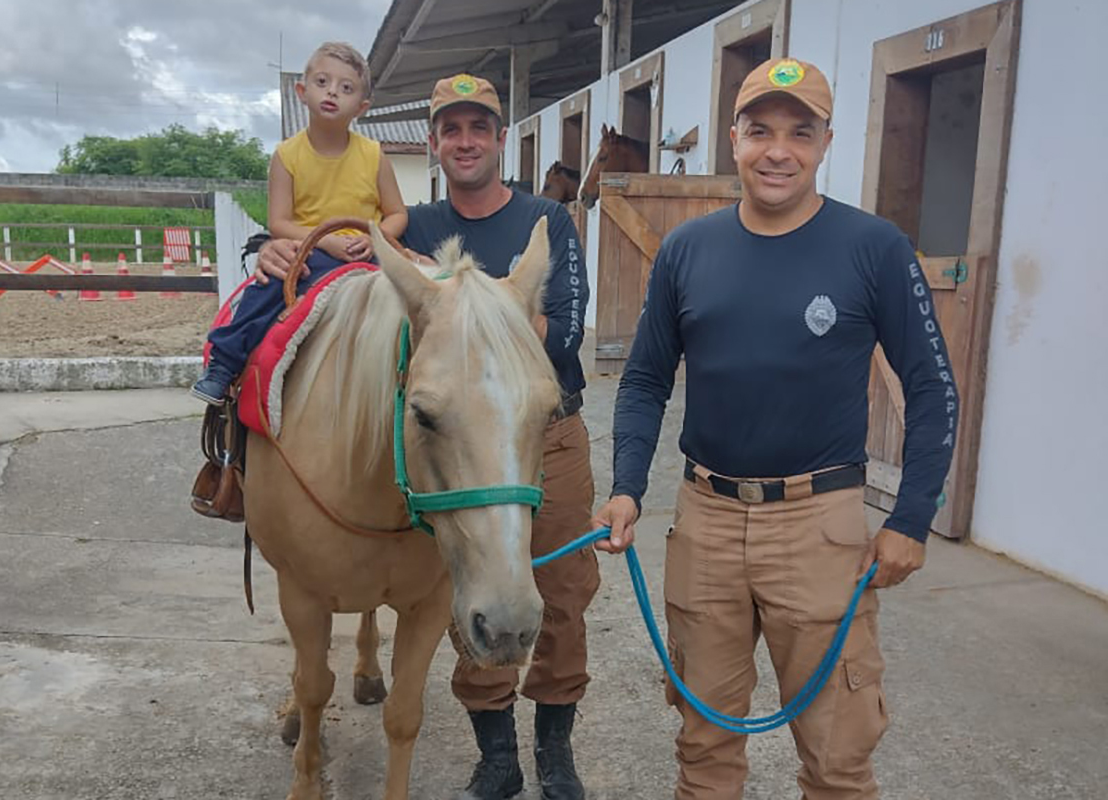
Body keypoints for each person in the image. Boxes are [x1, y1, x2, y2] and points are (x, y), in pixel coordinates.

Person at [593, 58, 959, 799]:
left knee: (837, 760)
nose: (778, 150)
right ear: (734, 138)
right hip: (706, 526)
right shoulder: (688, 252)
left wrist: (912, 518)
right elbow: (642, 381)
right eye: (760, 130)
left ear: (826, 142)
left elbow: (932, 388)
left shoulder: (874, 248)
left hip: (819, 528)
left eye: (800, 131)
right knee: (703, 749)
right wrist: (626, 489)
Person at [256, 73, 599, 800]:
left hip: (544, 432)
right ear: (435, 144)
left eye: (481, 127)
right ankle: (497, 755)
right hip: (450, 439)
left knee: (560, 596)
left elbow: (563, 338)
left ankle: (557, 755)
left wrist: (480, 311)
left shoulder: (546, 222)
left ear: (503, 139)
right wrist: (274, 252)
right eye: (452, 129)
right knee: (463, 587)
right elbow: (354, 287)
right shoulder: (410, 227)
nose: (466, 140)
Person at [190, 41, 407, 405]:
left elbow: (398, 213)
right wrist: (323, 241)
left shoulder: (374, 155)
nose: (333, 92)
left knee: (418, 292)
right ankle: (224, 363)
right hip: (309, 252)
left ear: (362, 107)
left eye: (347, 88)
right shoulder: (286, 156)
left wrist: (376, 236)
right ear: (302, 92)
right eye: (323, 81)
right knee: (266, 287)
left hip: (364, 254)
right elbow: (280, 222)